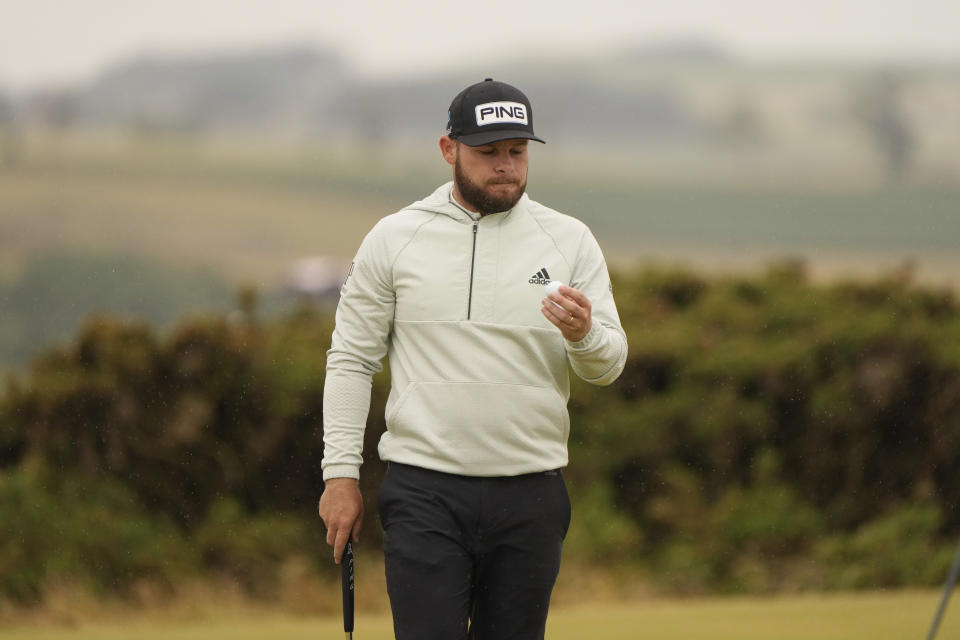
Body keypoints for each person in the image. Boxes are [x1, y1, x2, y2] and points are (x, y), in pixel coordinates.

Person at [317, 78, 627, 640]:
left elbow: (607, 365)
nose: (505, 165)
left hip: (531, 493)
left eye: (517, 151)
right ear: (448, 150)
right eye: (488, 153)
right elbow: (351, 362)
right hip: (424, 490)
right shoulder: (394, 238)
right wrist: (340, 475)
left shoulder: (569, 240)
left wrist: (583, 335)